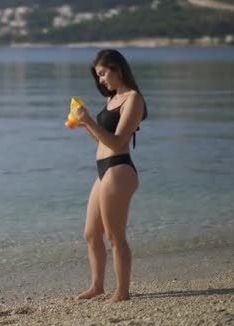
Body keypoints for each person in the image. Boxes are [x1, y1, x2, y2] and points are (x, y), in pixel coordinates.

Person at [74, 49, 147, 303]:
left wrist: (90, 121)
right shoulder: (112, 99)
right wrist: (84, 124)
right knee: (91, 234)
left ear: (118, 68)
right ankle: (97, 286)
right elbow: (101, 141)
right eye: (98, 77)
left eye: (103, 74)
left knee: (115, 237)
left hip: (119, 169)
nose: (101, 80)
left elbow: (117, 143)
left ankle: (122, 291)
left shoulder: (133, 99)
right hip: (103, 170)